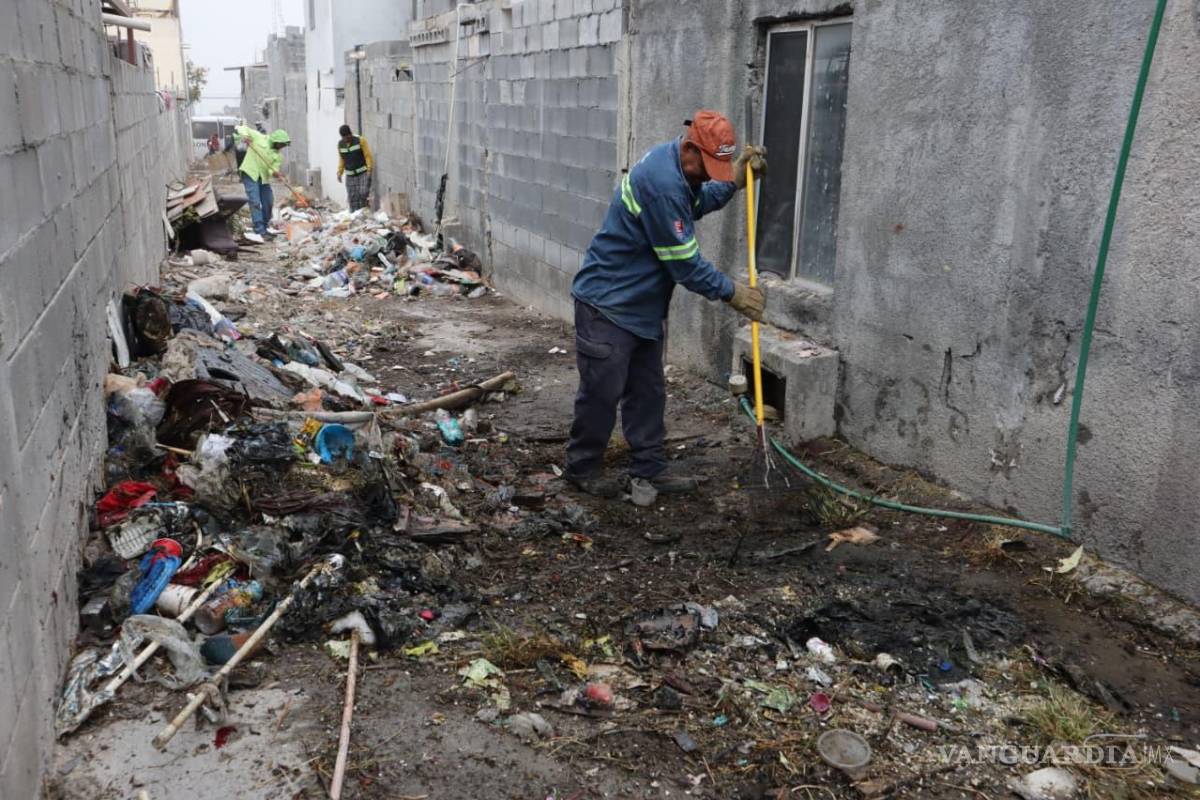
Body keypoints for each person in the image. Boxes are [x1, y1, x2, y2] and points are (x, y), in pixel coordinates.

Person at [565, 110, 767, 504]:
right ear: (690, 147)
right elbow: (685, 265)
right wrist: (733, 293)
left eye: (717, 168)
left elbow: (698, 199)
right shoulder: (662, 183)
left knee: (648, 391)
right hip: (607, 304)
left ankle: (649, 470)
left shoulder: (679, 169)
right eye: (706, 165)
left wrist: (735, 182)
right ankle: (582, 468)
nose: (708, 174)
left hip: (640, 306)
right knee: (601, 393)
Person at [235, 124, 290, 243]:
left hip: (263, 178)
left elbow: (271, 170)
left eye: (283, 145)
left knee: (268, 201)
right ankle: (259, 230)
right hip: (250, 172)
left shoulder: (277, 156)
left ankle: (264, 227)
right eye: (281, 144)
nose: (281, 147)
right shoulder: (259, 137)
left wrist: (276, 174)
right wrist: (245, 136)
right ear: (275, 140)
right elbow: (240, 128)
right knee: (255, 201)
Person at [336, 124, 375, 211]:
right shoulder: (340, 144)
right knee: (353, 198)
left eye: (347, 137)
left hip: (363, 173)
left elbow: (367, 155)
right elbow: (342, 159)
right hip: (350, 176)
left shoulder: (360, 140)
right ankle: (356, 218)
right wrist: (339, 172)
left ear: (351, 134)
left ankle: (365, 213)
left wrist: (369, 169)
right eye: (344, 138)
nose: (346, 140)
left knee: (363, 193)